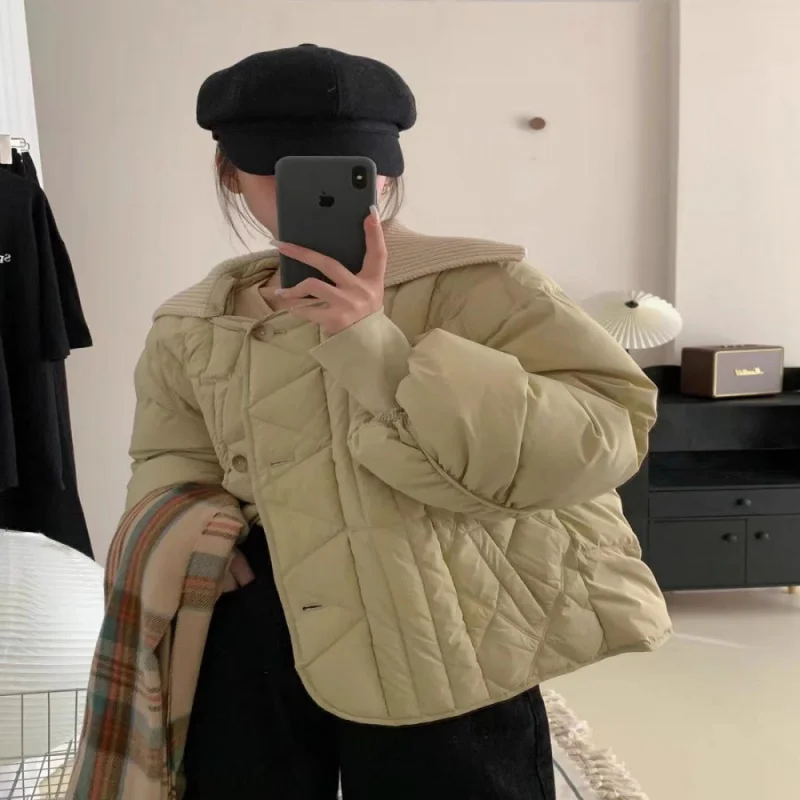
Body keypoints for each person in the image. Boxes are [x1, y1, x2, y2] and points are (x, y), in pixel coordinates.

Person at [126, 44, 671, 800]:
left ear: (386, 172)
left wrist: (375, 346)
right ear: (229, 173)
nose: (313, 189)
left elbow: (604, 434)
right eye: (278, 167)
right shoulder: (193, 322)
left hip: (447, 624)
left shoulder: (483, 285)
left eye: (351, 168)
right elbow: (168, 454)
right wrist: (192, 525)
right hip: (253, 628)